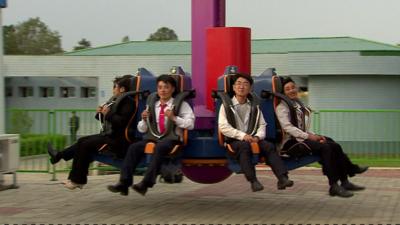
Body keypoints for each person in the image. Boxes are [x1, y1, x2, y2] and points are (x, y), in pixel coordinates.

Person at [275, 76, 368, 198]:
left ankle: (345, 181)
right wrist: (309, 136)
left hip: (302, 138)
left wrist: (316, 136)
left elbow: (303, 127)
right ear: (283, 93)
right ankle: (334, 185)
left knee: (334, 145)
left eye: (293, 87)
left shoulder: (298, 104)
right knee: (326, 148)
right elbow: (288, 128)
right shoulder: (282, 107)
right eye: (288, 89)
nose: (292, 90)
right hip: (290, 143)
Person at [107, 74, 195, 196]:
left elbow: (190, 124)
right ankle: (124, 183)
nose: (163, 90)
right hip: (154, 138)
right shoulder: (153, 104)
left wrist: (174, 118)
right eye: (160, 88)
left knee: (159, 147)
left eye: (166, 87)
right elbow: (142, 129)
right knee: (134, 147)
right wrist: (144, 120)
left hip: (171, 139)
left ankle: (146, 183)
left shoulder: (180, 104)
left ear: (173, 89)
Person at [47, 75, 136, 189]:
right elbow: (107, 119)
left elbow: (121, 122)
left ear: (122, 89)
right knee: (81, 141)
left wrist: (107, 114)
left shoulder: (128, 103)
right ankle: (61, 159)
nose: (113, 89)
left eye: (115, 87)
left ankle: (76, 179)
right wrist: (100, 113)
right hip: (109, 136)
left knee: (85, 145)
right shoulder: (116, 101)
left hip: (117, 142)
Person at [218, 73, 293, 192]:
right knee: (244, 147)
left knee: (269, 146)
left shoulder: (254, 105)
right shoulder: (226, 105)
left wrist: (258, 137)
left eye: (245, 84)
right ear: (233, 87)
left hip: (254, 139)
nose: (241, 87)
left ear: (250, 88)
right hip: (235, 141)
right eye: (238, 83)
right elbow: (223, 126)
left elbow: (262, 124)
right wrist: (243, 136)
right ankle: (253, 181)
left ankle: (282, 178)